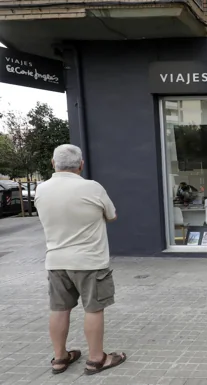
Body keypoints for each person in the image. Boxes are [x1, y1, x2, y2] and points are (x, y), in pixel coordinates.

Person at [34, 144, 127, 375]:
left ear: (53, 164)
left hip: (55, 260)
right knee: (93, 309)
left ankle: (60, 358)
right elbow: (112, 216)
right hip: (90, 262)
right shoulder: (92, 188)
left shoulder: (41, 189)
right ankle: (96, 359)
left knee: (59, 309)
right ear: (81, 165)